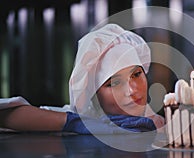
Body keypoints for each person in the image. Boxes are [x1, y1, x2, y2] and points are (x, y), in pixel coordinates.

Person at [0, 24, 165, 134]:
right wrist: (78, 123)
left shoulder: (164, 124)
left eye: (136, 74)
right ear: (93, 92)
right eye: (114, 83)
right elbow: (5, 113)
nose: (132, 90)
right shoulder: (88, 118)